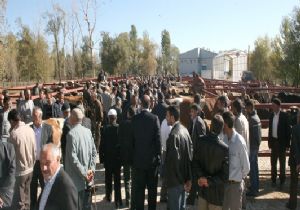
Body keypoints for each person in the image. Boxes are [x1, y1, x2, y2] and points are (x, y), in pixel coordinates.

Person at [193, 115, 229, 210]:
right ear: (221, 128)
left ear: (210, 125)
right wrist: (209, 181)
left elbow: (195, 162)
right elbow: (225, 175)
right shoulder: (224, 148)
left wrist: (202, 178)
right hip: (216, 193)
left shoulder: (200, 141)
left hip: (202, 189)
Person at [131, 95, 161, 210]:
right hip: (151, 163)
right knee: (152, 192)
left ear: (140, 104)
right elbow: (158, 141)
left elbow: (131, 141)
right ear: (150, 104)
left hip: (138, 162)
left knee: (139, 192)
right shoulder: (155, 119)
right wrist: (158, 156)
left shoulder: (134, 119)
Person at [64, 108, 97, 210]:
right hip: (88, 179)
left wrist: (84, 174)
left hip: (77, 182)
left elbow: (73, 159)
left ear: (73, 119)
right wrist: (91, 171)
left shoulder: (71, 135)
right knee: (87, 206)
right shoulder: (87, 131)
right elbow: (94, 153)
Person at [164, 105, 193, 210]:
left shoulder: (173, 136)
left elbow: (173, 162)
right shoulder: (185, 131)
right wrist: (188, 179)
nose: (166, 118)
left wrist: (180, 180)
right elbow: (190, 156)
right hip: (183, 181)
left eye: (167, 116)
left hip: (175, 182)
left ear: (172, 117)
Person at [8, 109, 36, 210]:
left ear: (11, 121)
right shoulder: (30, 129)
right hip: (30, 168)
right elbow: (35, 149)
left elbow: (10, 156)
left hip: (20, 171)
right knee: (27, 198)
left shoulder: (13, 134)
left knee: (20, 202)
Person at [222, 111, 250, 210]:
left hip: (235, 186)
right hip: (225, 184)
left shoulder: (239, 142)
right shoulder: (223, 139)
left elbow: (246, 167)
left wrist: (238, 179)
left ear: (225, 124)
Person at [38, 143, 78, 210]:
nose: (43, 168)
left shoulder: (67, 187)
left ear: (58, 159)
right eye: (41, 163)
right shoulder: (49, 179)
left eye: (47, 163)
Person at [30, 107, 53, 209]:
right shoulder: (29, 129)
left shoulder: (48, 128)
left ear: (40, 117)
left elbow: (51, 146)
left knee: (45, 187)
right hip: (32, 164)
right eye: (33, 115)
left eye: (35, 116)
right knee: (32, 188)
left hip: (43, 164)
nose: (33, 117)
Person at [100, 109, 122, 208]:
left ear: (109, 118)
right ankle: (118, 200)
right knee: (117, 180)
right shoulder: (119, 128)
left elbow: (102, 146)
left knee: (108, 179)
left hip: (108, 159)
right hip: (117, 159)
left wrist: (102, 159)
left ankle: (109, 196)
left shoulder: (105, 129)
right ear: (116, 117)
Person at [268, 98, 291, 188]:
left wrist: (287, 144)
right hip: (274, 142)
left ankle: (282, 181)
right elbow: (270, 130)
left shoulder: (284, 116)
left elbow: (288, 130)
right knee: (273, 163)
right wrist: (270, 142)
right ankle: (273, 180)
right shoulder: (271, 116)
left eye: (273, 105)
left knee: (282, 163)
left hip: (282, 143)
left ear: (278, 106)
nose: (272, 107)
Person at [187, 103, 206, 205]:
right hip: (195, 154)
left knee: (195, 177)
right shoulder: (194, 122)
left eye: (192, 111)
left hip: (197, 155)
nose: (191, 113)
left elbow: (202, 140)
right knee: (195, 176)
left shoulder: (199, 123)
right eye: (191, 111)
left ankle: (192, 198)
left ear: (197, 112)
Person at [119, 107, 136, 207]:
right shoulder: (137, 124)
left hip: (125, 155)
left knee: (127, 179)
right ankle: (133, 200)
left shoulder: (122, 124)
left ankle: (128, 200)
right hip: (134, 156)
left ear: (129, 114)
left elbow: (119, 139)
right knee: (134, 179)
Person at [245, 100, 261, 197]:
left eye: (247, 108)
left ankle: (254, 189)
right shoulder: (256, 117)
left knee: (253, 168)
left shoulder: (252, 120)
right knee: (255, 166)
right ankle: (255, 186)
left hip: (253, 146)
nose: (246, 110)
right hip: (256, 145)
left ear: (250, 107)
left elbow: (253, 135)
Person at [286, 109, 300, 210]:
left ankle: (292, 205)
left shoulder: (295, 129)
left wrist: (298, 162)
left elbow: (295, 146)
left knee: (294, 184)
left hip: (296, 161)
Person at [159, 117, 172, 203]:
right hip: (169, 151)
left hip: (164, 150)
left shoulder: (163, 122)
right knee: (168, 174)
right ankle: (164, 195)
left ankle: (163, 195)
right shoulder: (170, 126)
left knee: (165, 174)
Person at [0, 140, 16, 209]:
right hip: (6, 194)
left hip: (5, 196)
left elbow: (12, 173)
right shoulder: (9, 147)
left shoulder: (9, 148)